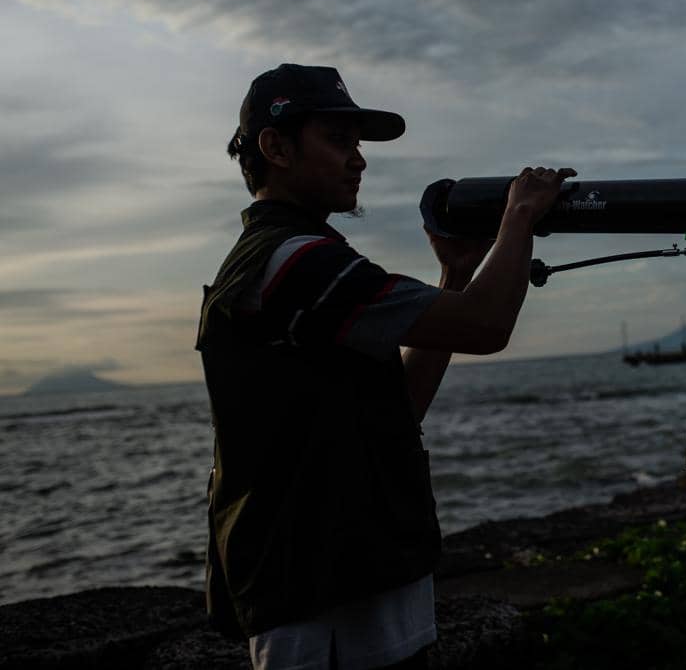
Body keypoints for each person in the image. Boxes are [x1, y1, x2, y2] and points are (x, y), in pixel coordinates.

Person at [196, 63, 575, 669]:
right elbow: (487, 326)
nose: (359, 160)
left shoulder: (292, 262)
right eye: (338, 140)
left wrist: (453, 274)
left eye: (358, 144)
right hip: (317, 579)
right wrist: (520, 217)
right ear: (275, 147)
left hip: (352, 563)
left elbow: (398, 409)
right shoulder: (294, 263)